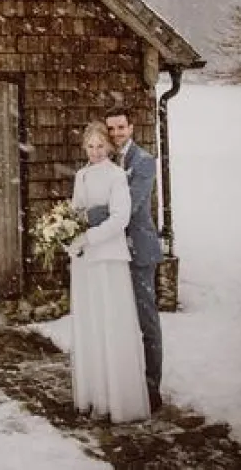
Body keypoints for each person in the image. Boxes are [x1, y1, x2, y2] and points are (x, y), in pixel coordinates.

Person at [69, 121, 150, 424]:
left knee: (110, 324)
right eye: (90, 146)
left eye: (100, 145)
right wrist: (67, 235)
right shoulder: (81, 175)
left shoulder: (118, 176)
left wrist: (89, 237)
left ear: (109, 146)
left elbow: (120, 218)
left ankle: (116, 399)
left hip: (108, 256)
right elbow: (75, 211)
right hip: (85, 260)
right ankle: (94, 396)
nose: (95, 152)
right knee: (91, 324)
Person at [87, 109, 163, 414]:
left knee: (147, 320)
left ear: (131, 127)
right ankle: (125, 384)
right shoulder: (106, 161)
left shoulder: (142, 161)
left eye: (121, 127)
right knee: (120, 318)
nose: (117, 133)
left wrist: (89, 216)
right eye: (112, 128)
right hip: (114, 249)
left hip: (140, 250)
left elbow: (129, 205)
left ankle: (152, 386)